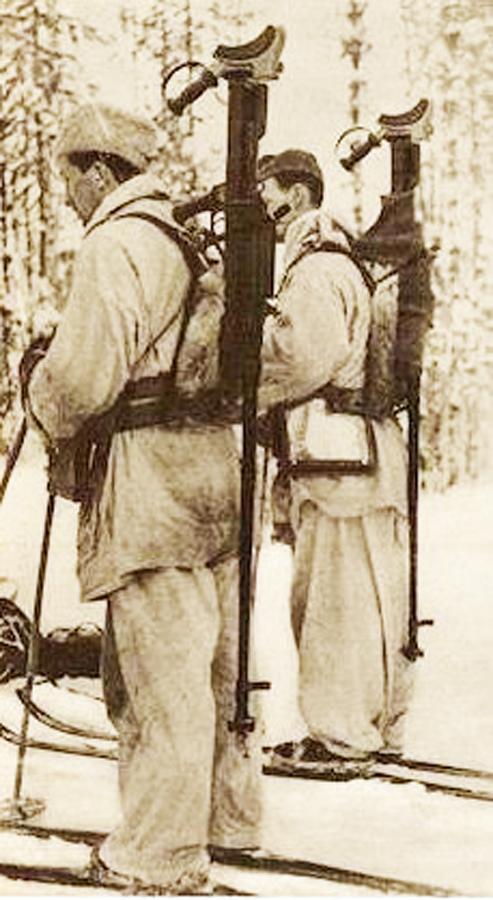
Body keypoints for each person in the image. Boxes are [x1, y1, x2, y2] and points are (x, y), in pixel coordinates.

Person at [23, 102, 261, 894]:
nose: (67, 196)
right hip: (212, 468)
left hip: (151, 480)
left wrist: (37, 391)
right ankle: (226, 820)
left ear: (98, 171)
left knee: (158, 678)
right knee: (216, 669)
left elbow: (83, 378)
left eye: (69, 177)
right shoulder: (182, 238)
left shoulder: (117, 242)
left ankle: (158, 852)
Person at [256, 149, 411, 767]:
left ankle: (340, 733)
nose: (260, 206)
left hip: (336, 459)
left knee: (334, 602)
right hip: (358, 455)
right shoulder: (341, 261)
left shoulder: (316, 267)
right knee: (370, 596)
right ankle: (372, 726)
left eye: (267, 192)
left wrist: (245, 382)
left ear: (296, 195)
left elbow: (302, 357)